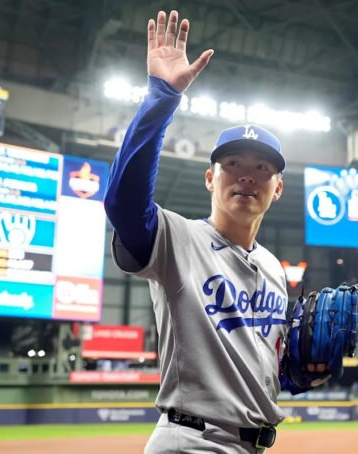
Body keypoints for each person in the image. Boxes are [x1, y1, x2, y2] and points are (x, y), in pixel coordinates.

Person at [104, 10, 292, 453]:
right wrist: (162, 97)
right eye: (233, 164)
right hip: (191, 440)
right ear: (210, 179)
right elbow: (123, 205)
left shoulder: (273, 268)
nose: (247, 176)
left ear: (278, 188)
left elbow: (262, 364)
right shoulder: (177, 239)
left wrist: (303, 372)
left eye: (262, 169)